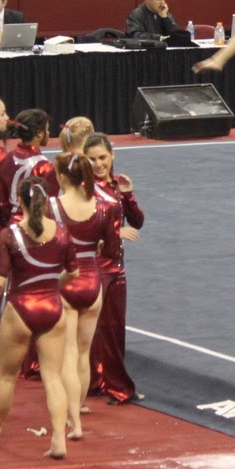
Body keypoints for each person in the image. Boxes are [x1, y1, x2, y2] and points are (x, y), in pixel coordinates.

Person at [0, 176, 78, 460]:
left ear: (19, 201)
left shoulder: (9, 235)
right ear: (47, 202)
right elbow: (73, 273)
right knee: (52, 377)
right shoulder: (61, 233)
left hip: (20, 309)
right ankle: (59, 439)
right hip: (52, 308)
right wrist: (53, 286)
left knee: (7, 377)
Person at [45, 152, 109, 440]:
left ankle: (74, 423)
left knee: (68, 356)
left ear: (61, 178)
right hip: (93, 281)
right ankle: (79, 406)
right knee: (84, 353)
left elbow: (43, 243)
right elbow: (107, 246)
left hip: (66, 280)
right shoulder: (102, 205)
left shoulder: (53, 206)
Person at [82, 133, 141, 403]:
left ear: (112, 156)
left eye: (102, 157)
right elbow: (82, 228)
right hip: (96, 267)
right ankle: (102, 383)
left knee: (115, 328)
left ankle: (109, 382)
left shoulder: (116, 186)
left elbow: (138, 222)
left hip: (116, 267)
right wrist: (117, 234)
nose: (98, 164)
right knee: (93, 329)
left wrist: (129, 196)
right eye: (92, 159)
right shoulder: (84, 189)